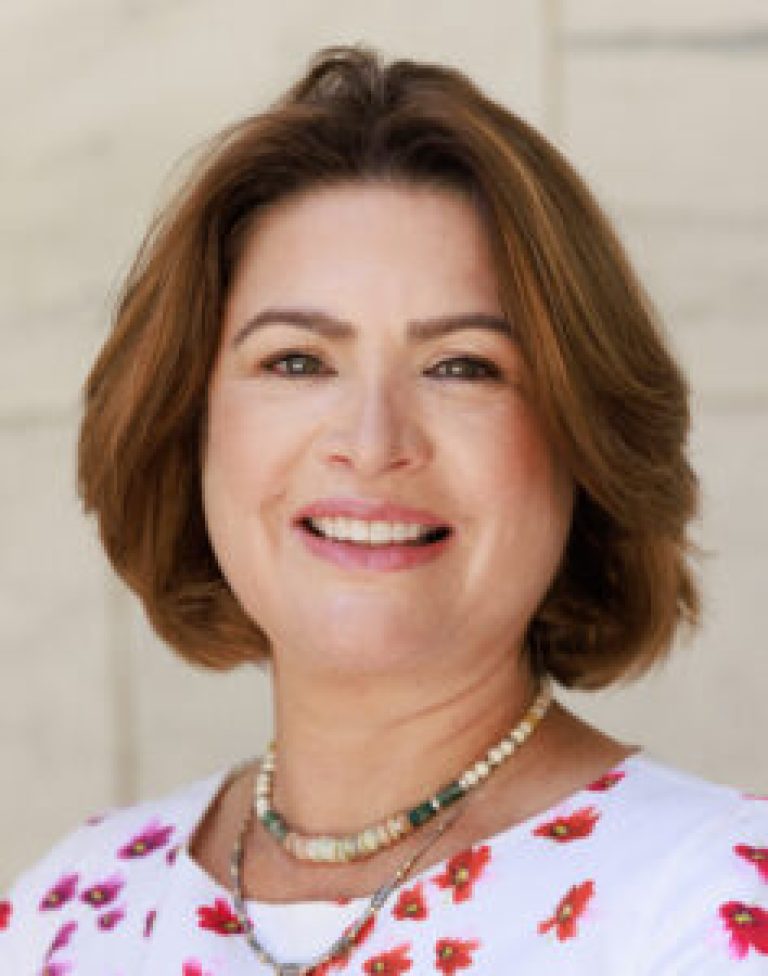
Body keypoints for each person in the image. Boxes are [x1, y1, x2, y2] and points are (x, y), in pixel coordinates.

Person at [2, 44, 766, 976]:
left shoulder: (707, 906)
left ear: (583, 438)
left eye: (463, 367)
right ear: (190, 424)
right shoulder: (66, 911)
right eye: (296, 361)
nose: (371, 443)